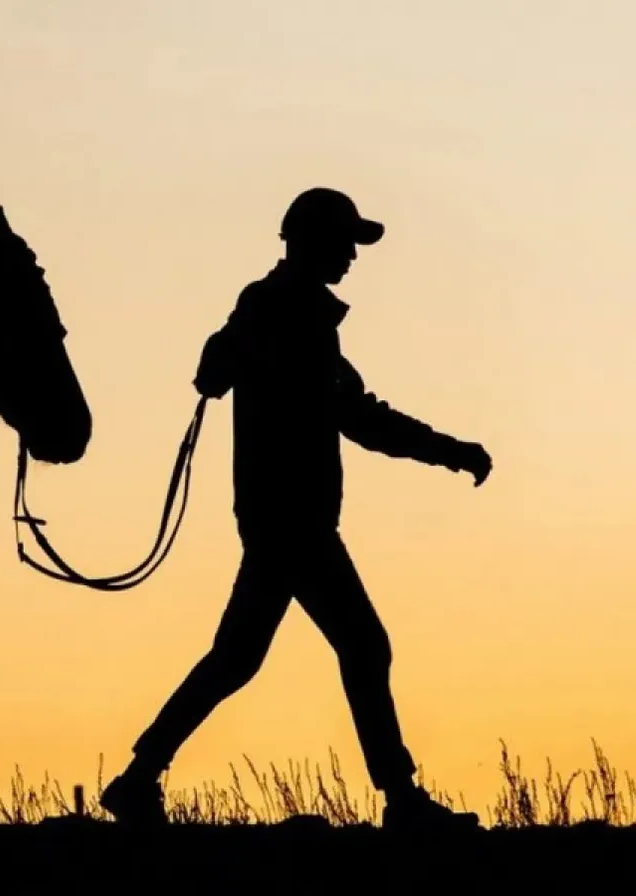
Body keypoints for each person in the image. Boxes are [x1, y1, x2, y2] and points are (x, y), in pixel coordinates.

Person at [99, 187, 493, 830]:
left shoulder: (281, 309)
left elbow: (230, 376)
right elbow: (354, 416)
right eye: (345, 244)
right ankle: (402, 799)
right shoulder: (286, 312)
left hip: (277, 514)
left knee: (238, 657)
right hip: (293, 518)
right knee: (363, 645)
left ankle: (138, 777)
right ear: (312, 242)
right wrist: (449, 451)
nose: (353, 258)